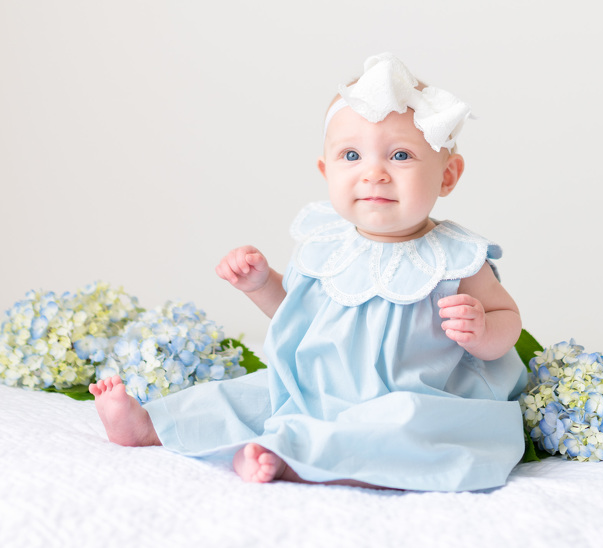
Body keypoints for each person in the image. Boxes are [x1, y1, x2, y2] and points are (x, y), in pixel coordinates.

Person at [89, 53, 528, 492]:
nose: (373, 173)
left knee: (407, 424)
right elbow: (296, 314)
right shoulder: (325, 244)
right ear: (326, 171)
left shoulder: (455, 257)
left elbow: (507, 319)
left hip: (408, 395)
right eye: (351, 155)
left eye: (400, 155)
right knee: (252, 393)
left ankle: (295, 457)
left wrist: (483, 329)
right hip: (312, 388)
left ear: (447, 176)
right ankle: (151, 425)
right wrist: (261, 286)